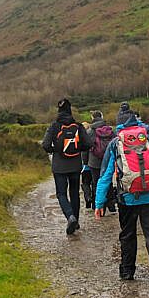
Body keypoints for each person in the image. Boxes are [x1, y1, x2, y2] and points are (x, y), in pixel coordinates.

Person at [94, 109, 149, 293]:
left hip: (127, 198)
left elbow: (105, 175)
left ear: (119, 124)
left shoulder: (116, 142)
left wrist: (99, 203)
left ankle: (127, 271)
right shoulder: (148, 138)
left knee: (128, 234)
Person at [41, 98, 90, 235]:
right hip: (75, 165)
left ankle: (70, 217)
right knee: (74, 193)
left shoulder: (54, 126)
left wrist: (55, 150)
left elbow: (45, 145)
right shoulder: (78, 126)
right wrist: (78, 149)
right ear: (70, 110)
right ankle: (76, 221)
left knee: (61, 193)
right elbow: (88, 144)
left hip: (59, 166)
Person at [83, 110, 115, 213]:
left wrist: (85, 162)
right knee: (108, 181)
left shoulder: (90, 131)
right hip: (108, 159)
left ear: (92, 118)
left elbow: (85, 148)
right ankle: (111, 205)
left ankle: (99, 207)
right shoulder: (110, 130)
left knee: (96, 183)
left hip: (94, 161)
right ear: (102, 116)